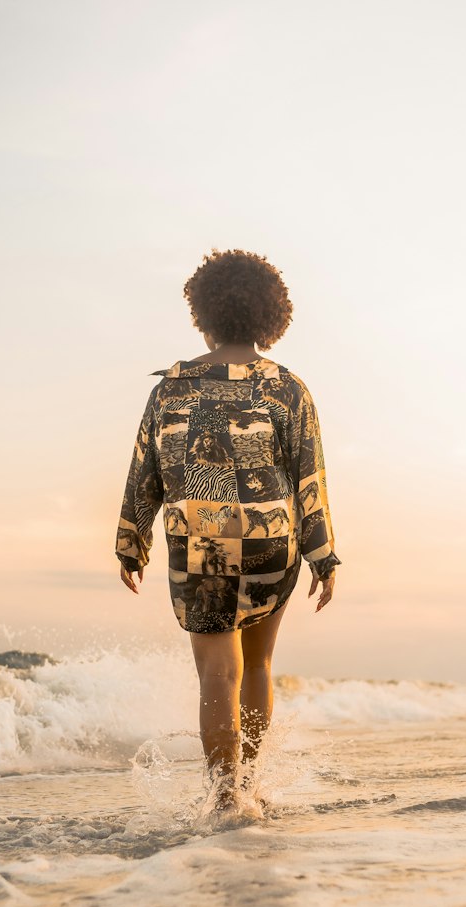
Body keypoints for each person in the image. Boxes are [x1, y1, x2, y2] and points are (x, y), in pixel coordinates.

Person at [115, 248, 340, 812]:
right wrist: (324, 555)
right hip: (269, 539)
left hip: (199, 540)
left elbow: (144, 471)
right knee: (258, 664)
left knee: (218, 669)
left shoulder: (170, 387)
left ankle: (223, 800)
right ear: (270, 315)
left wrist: (131, 541)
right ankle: (252, 786)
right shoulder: (286, 387)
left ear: (204, 313)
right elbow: (308, 473)